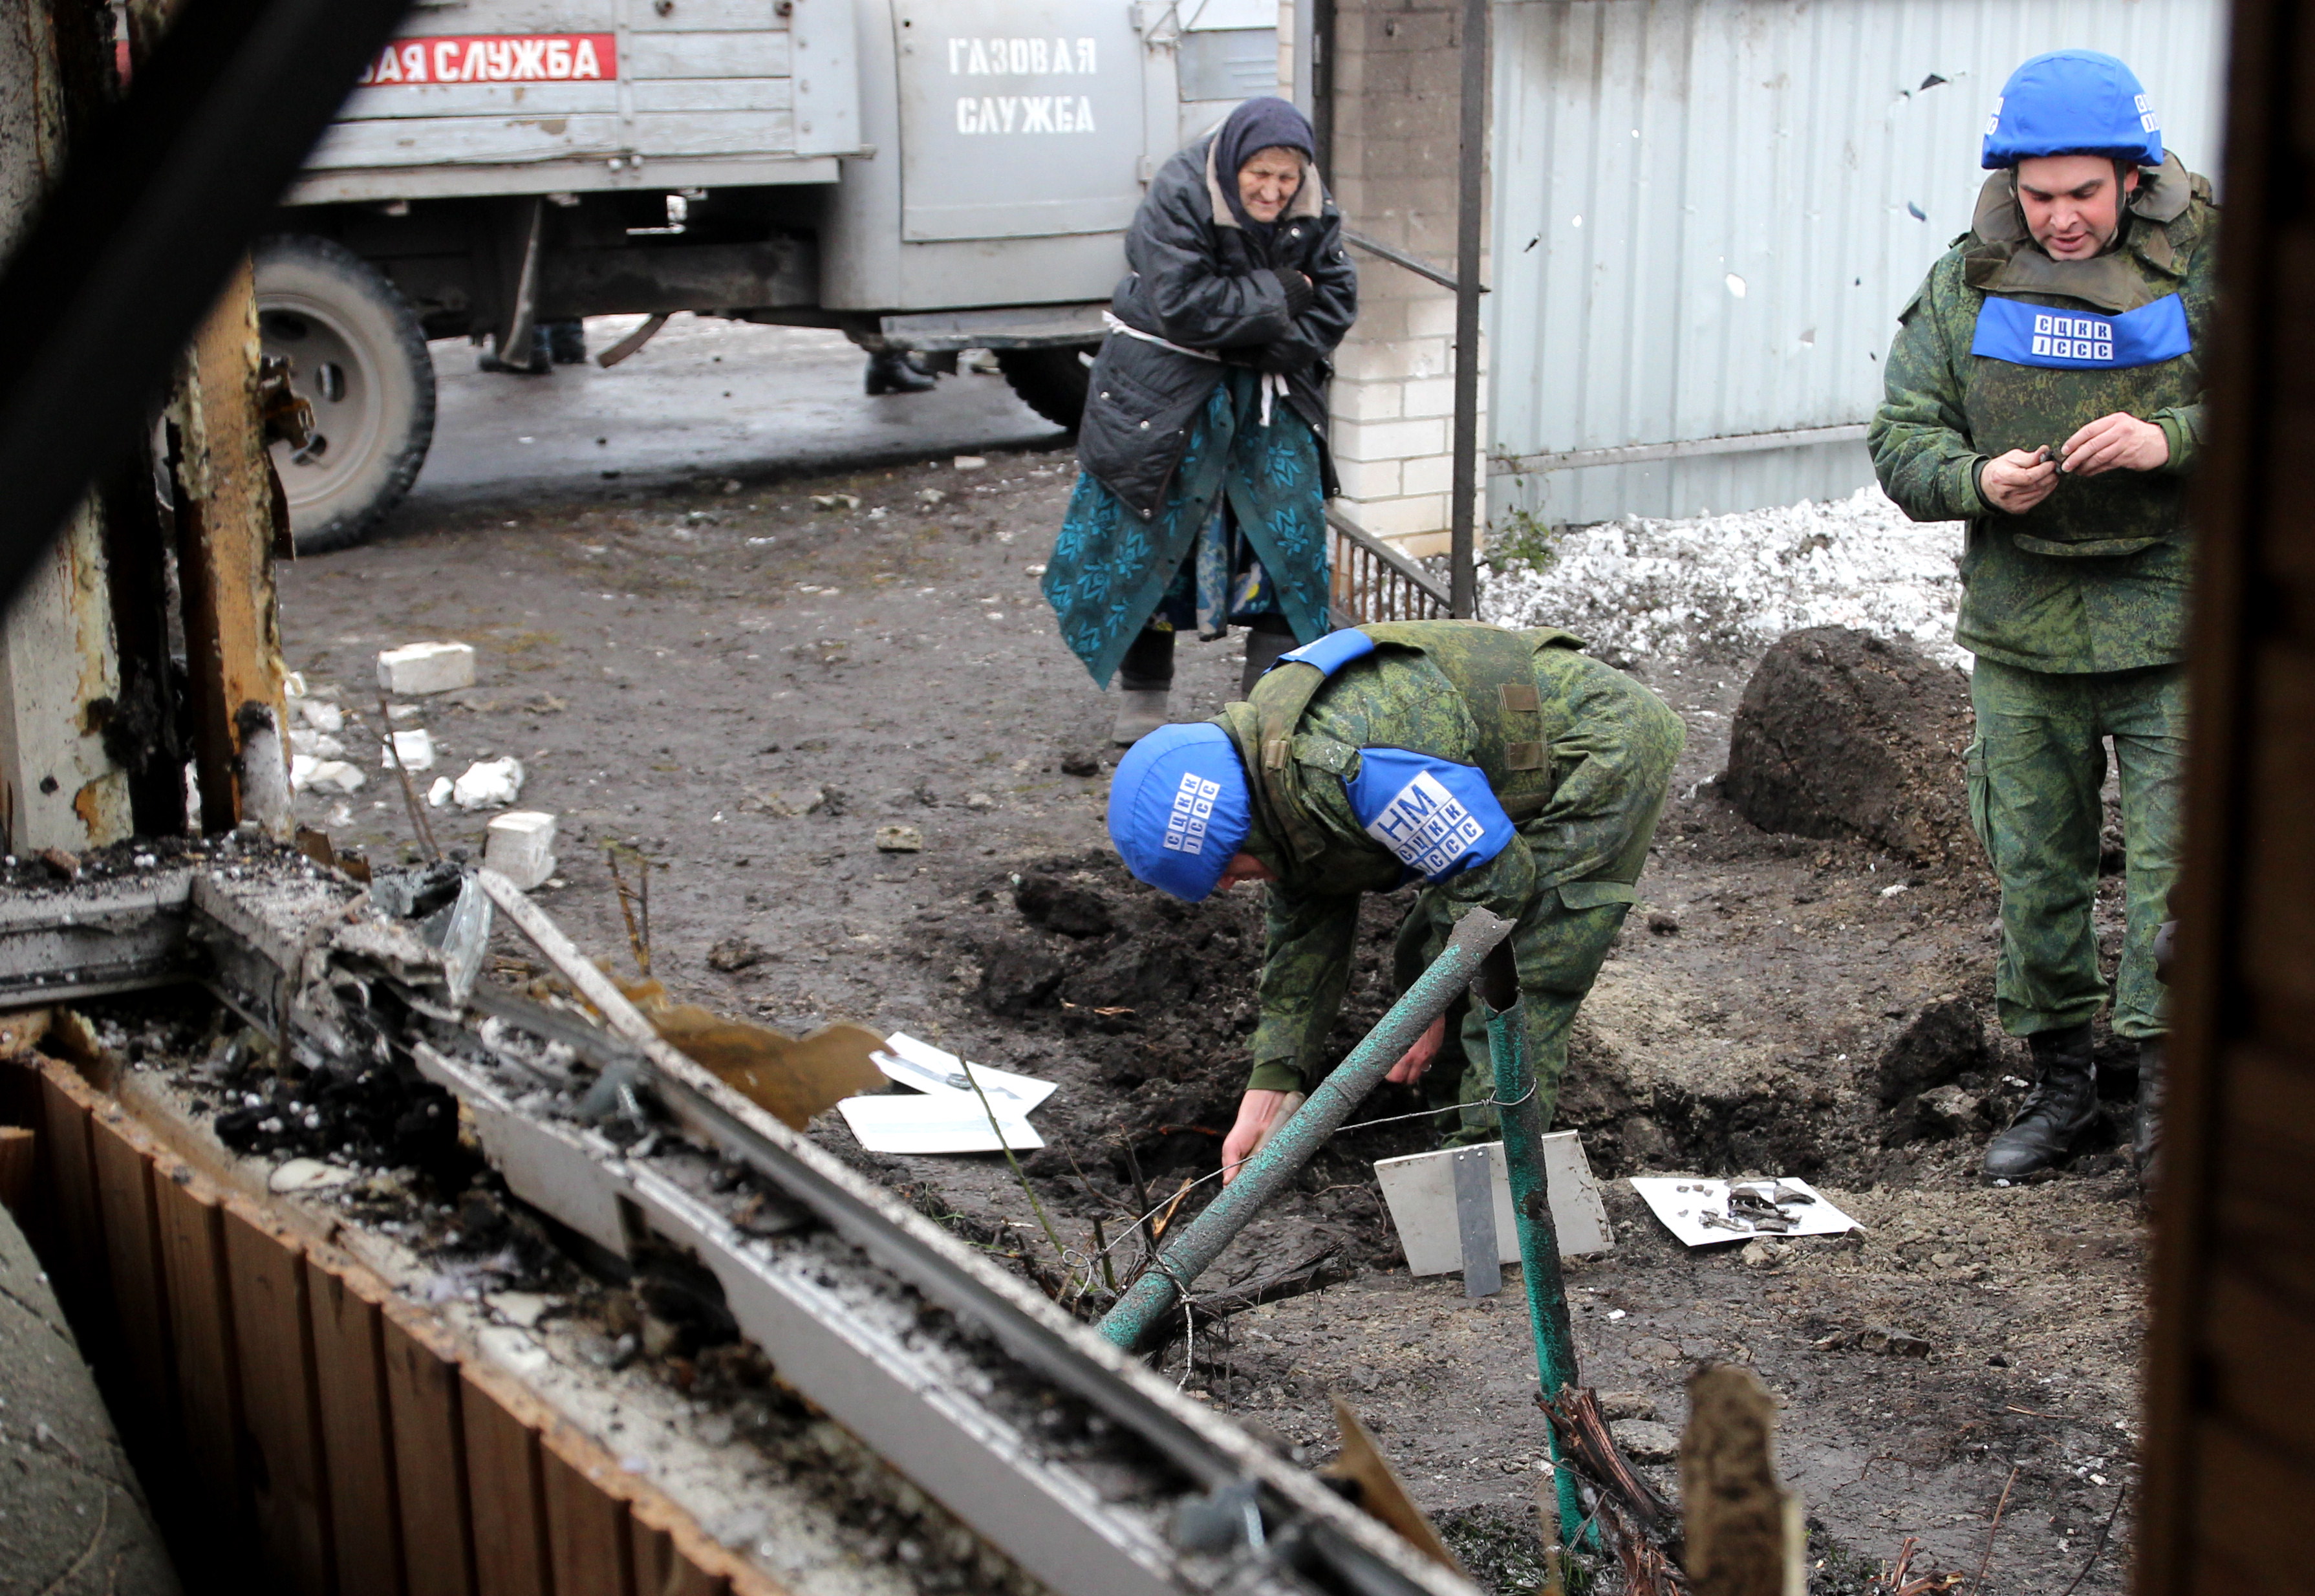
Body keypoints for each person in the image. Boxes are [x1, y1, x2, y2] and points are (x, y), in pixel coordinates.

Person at [1868, 50, 2214, 1178]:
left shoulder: (2210, 265)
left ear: (2133, 176)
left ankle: (2168, 1099)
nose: (2061, 218)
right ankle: (2064, 1088)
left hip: (2175, 627)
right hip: (2024, 626)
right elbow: (1902, 436)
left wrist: (2172, 439)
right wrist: (1975, 480)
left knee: (2177, 876)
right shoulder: (1968, 281)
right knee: (2036, 867)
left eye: (2085, 193)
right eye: (2039, 194)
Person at [1104, 621, 1683, 1178]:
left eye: (1224, 868)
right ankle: (1449, 1125)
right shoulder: (1270, 780)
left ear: (1242, 831)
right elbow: (1305, 930)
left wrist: (1432, 1001)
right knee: (1423, 953)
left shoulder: (1345, 764)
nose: (1228, 886)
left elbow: (1497, 880)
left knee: (1523, 970)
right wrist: (1275, 1080)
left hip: (1598, 747)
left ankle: (1495, 1180)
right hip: (1510, 779)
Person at [1042, 97, 1358, 746]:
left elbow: (1336, 301)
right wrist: (1284, 292)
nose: (1273, 190)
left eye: (1287, 177)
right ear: (1233, 163)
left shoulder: (1315, 206)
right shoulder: (1179, 193)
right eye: (1259, 175)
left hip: (1269, 391)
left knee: (1288, 541)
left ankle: (1268, 701)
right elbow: (1184, 306)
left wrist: (1254, 343)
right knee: (1150, 534)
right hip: (1165, 395)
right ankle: (1144, 692)